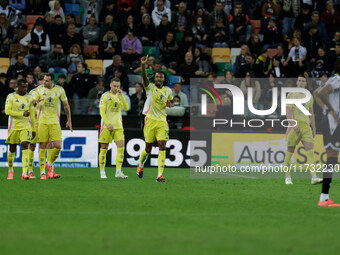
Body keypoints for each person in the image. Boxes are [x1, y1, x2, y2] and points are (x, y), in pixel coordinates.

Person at [137, 55, 174, 182]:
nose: (159, 78)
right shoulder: (150, 87)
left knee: (162, 145)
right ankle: (140, 164)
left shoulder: (168, 90)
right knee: (148, 148)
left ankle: (159, 175)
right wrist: (143, 65)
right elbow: (144, 78)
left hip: (162, 121)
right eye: (157, 76)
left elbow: (171, 102)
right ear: (155, 78)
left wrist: (170, 104)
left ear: (164, 79)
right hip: (150, 119)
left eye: (161, 77)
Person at [284, 75, 323, 185]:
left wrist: (314, 128)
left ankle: (314, 177)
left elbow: (311, 113)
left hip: (306, 126)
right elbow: (288, 113)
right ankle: (287, 177)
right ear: (296, 83)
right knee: (290, 151)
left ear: (306, 83)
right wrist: (293, 124)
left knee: (310, 149)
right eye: (299, 80)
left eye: (303, 81)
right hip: (294, 125)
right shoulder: (291, 95)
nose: (301, 82)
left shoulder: (309, 96)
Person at [34, 73, 72, 179]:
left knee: (58, 146)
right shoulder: (39, 90)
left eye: (46, 81)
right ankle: (43, 173)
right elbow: (31, 104)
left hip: (55, 122)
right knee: (43, 146)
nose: (44, 82)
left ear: (52, 81)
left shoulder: (60, 90)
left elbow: (66, 105)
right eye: (43, 80)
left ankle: (49, 164)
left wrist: (69, 119)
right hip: (42, 122)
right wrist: (34, 103)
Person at [313, 61, 340, 206]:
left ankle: (324, 197)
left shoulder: (333, 79)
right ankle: (323, 197)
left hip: (331, 122)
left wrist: (325, 109)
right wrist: (332, 111)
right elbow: (322, 93)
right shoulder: (337, 80)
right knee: (332, 158)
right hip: (333, 124)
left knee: (332, 158)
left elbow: (316, 93)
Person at [98, 77, 129, 179]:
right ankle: (102, 172)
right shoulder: (105, 96)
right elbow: (102, 111)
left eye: (118, 86)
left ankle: (118, 172)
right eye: (114, 86)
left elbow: (126, 108)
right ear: (110, 85)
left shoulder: (120, 96)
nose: (116, 88)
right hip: (107, 126)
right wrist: (107, 123)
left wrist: (122, 96)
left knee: (121, 147)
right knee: (104, 149)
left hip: (118, 126)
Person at [5, 79, 36, 180]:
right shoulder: (11, 96)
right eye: (23, 86)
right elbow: (7, 111)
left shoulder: (30, 98)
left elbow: (32, 114)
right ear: (18, 87)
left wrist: (34, 129)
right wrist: (21, 113)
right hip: (13, 126)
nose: (25, 88)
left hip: (25, 125)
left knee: (24, 144)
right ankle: (10, 170)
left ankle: (24, 172)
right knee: (12, 148)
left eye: (26, 86)